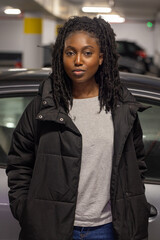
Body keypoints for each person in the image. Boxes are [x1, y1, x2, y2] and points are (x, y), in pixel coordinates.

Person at [6, 16, 150, 240]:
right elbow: (19, 163)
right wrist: (28, 212)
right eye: (70, 52)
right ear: (61, 56)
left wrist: (133, 204)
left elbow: (136, 164)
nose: (78, 60)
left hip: (108, 229)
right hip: (51, 229)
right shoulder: (44, 106)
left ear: (101, 58)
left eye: (87, 52)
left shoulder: (121, 107)